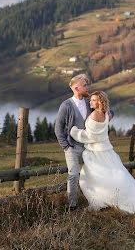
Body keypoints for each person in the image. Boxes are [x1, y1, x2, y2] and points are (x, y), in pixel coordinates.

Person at [70, 91, 135, 214]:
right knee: (111, 174)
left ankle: (107, 200)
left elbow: (90, 136)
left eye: (93, 100)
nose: (90, 102)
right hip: (106, 150)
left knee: (93, 177)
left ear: (100, 102)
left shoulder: (94, 115)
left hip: (96, 152)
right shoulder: (105, 114)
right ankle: (115, 197)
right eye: (91, 99)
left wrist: (74, 131)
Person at [54, 74, 93, 210]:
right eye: (84, 85)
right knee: (73, 175)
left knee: (91, 175)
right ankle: (73, 205)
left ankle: (93, 201)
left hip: (89, 147)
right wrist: (66, 146)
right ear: (76, 88)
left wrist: (110, 113)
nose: (88, 87)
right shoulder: (66, 105)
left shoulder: (90, 102)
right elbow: (58, 127)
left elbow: (105, 107)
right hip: (72, 147)